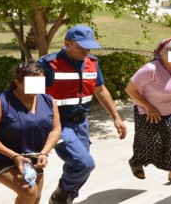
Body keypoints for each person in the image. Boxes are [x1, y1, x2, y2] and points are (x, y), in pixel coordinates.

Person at [38, 25, 127, 204]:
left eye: (88, 46)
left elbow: (100, 90)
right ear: (67, 43)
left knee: (80, 165)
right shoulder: (47, 64)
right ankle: (62, 195)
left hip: (81, 124)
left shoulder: (92, 63)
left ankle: (63, 196)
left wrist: (116, 117)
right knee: (84, 163)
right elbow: (30, 94)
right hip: (57, 125)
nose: (85, 51)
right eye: (81, 46)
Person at [0, 61, 62, 204]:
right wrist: (13, 155)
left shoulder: (48, 100)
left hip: (31, 159)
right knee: (28, 192)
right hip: (0, 159)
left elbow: (56, 129)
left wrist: (45, 152)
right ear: (17, 81)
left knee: (35, 198)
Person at [125, 37, 171, 183]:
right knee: (153, 145)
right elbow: (130, 89)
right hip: (148, 113)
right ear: (162, 54)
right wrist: (149, 107)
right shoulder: (150, 69)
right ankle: (136, 162)